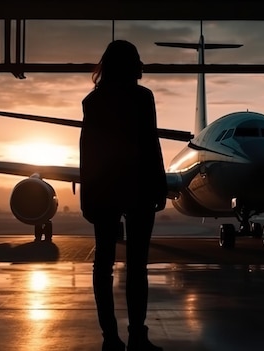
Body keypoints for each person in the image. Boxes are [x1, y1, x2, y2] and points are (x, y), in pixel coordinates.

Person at [79, 40, 167, 351]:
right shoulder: (143, 98)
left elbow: (87, 153)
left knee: (103, 267)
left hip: (103, 190)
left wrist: (86, 197)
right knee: (137, 266)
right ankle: (137, 336)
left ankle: (110, 339)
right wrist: (161, 187)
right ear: (135, 64)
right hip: (140, 187)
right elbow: (151, 144)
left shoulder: (93, 101)